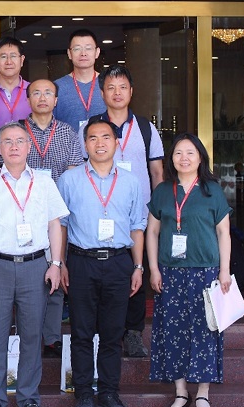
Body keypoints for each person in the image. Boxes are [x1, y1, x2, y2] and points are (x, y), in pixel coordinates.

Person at [0, 122, 68, 407]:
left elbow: (54, 225)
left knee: (32, 334)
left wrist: (56, 264)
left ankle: (29, 397)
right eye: (7, 141)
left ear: (28, 147)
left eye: (19, 141)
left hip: (35, 265)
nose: (13, 146)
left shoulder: (44, 182)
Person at [56, 119, 146, 407]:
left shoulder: (131, 182)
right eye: (92, 138)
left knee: (112, 333)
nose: (99, 143)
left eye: (106, 137)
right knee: (81, 332)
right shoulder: (69, 180)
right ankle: (83, 395)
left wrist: (138, 266)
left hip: (119, 262)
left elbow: (137, 227)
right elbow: (61, 225)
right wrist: (61, 263)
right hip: (81, 262)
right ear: (85, 145)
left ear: (116, 143)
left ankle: (108, 394)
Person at [146, 133, 232, 407]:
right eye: (178, 153)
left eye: (190, 153)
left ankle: (203, 394)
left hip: (205, 272)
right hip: (170, 272)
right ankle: (181, 392)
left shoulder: (212, 190)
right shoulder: (162, 191)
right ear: (171, 158)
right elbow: (152, 232)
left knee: (206, 331)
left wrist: (224, 270)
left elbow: (223, 233)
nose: (184, 158)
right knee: (173, 333)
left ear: (200, 158)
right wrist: (154, 269)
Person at [89, 65, 164, 358]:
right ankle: (103, 332)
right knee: (101, 275)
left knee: (136, 270)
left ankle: (133, 332)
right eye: (110, 87)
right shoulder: (92, 126)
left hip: (138, 216)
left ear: (131, 92)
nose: (117, 93)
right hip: (101, 215)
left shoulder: (145, 128)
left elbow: (156, 172)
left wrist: (158, 212)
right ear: (102, 93)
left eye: (122, 87)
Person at [22, 78, 86, 359]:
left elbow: (73, 174)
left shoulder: (68, 133)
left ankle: (51, 337)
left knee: (56, 272)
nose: (42, 97)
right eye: (36, 92)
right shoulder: (17, 131)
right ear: (28, 99)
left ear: (56, 100)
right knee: (25, 278)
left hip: (57, 215)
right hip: (23, 214)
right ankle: (27, 335)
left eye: (48, 93)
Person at [53, 29, 107, 132]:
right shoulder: (57, 87)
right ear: (69, 53)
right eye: (77, 49)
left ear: (97, 52)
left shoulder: (109, 84)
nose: (83, 53)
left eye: (88, 48)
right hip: (67, 142)